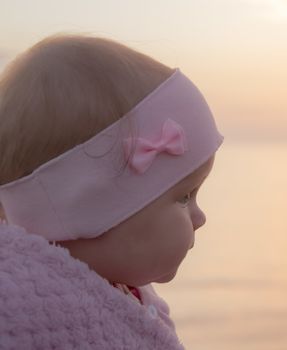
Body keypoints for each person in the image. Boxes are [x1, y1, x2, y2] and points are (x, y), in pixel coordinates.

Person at [0, 34, 224, 349]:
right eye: (184, 197)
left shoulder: (108, 290)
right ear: (90, 208)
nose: (200, 217)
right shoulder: (24, 317)